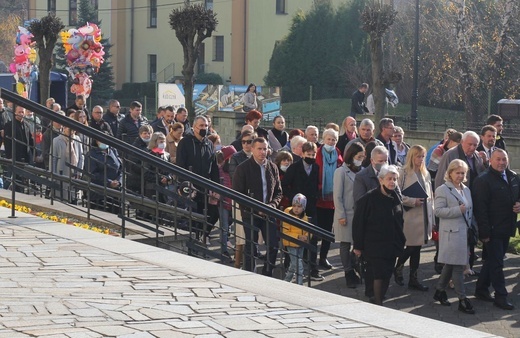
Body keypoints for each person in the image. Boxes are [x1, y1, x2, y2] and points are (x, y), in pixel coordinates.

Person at [472, 148, 520, 310]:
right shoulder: (483, 180)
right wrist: (484, 233)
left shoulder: (513, 177)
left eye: (504, 159)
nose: (501, 163)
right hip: (492, 230)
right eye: (498, 159)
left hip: (508, 227)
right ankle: (501, 296)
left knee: (493, 260)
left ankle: (481, 289)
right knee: (498, 263)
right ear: (490, 161)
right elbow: (480, 209)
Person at [353, 164, 406, 305]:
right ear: (380, 180)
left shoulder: (396, 197)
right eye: (389, 179)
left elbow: (399, 221)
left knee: (387, 273)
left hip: (391, 244)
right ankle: (378, 302)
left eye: (395, 179)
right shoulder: (368, 199)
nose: (392, 182)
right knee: (378, 273)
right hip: (374, 245)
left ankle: (379, 296)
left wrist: (401, 241)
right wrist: (357, 246)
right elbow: (358, 223)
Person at [232, 137, 282, 276]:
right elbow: (238, 194)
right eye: (259, 149)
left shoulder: (272, 167)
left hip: (269, 212)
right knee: (251, 246)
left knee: (273, 245)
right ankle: (249, 275)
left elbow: (278, 192)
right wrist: (255, 208)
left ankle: (267, 272)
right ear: (252, 149)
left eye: (265, 149)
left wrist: (272, 205)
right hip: (250, 213)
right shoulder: (242, 168)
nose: (262, 152)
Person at [433, 159, 475, 314]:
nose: (460, 175)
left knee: (450, 265)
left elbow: (469, 211)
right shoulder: (443, 189)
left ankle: (439, 291)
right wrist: (458, 210)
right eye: (457, 172)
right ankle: (462, 299)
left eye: (462, 173)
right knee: (458, 267)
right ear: (449, 173)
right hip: (451, 235)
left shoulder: (466, 189)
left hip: (464, 234)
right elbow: (438, 211)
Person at [394, 145, 434, 292]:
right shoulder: (403, 172)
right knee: (411, 246)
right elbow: (397, 194)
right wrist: (412, 201)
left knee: (417, 248)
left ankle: (414, 278)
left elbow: (430, 195)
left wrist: (432, 217)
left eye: (423, 156)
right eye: (418, 156)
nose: (421, 159)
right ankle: (398, 267)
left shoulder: (425, 173)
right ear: (412, 156)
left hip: (424, 214)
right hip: (410, 215)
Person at [282, 141, 321, 280]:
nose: (311, 156)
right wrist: (294, 198)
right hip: (296, 208)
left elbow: (316, 184)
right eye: (308, 154)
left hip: (310, 207)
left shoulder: (316, 167)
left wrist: (315, 196)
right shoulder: (294, 168)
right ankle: (289, 266)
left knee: (313, 237)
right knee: (293, 235)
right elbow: (285, 184)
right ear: (302, 154)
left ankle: (313, 269)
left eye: (313, 154)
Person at [176, 115, 219, 241]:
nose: (204, 128)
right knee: (194, 216)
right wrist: (184, 184)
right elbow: (180, 165)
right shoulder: (185, 143)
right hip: (191, 187)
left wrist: (216, 187)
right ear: (194, 127)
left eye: (206, 126)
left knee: (213, 214)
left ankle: (202, 236)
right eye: (201, 126)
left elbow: (214, 167)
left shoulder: (209, 144)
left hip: (205, 187)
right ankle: (194, 241)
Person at [333, 142, 365, 288]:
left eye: (363, 157)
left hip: (359, 214)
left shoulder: (362, 171)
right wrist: (341, 215)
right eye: (359, 156)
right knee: (345, 243)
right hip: (346, 213)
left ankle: (355, 264)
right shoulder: (341, 172)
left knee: (358, 243)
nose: (361, 159)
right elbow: (337, 196)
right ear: (351, 156)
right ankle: (348, 272)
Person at [313, 128, 343, 271]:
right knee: (315, 230)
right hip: (319, 197)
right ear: (323, 139)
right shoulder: (318, 152)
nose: (331, 142)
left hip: (332, 199)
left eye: (334, 139)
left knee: (328, 231)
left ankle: (323, 257)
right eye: (329, 139)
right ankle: (311, 258)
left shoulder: (338, 153)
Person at [228, 130, 256, 269]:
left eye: (249, 141)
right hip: (241, 198)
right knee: (240, 234)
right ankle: (237, 262)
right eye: (243, 142)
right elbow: (235, 178)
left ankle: (250, 262)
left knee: (253, 234)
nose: (245, 144)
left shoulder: (260, 156)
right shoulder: (236, 157)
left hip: (256, 199)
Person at [84, 138, 122, 213]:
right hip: (99, 193)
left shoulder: (113, 151)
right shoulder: (91, 154)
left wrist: (119, 181)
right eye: (101, 140)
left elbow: (121, 168)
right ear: (96, 141)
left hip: (115, 192)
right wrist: (109, 182)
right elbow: (92, 173)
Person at [50, 126, 83, 203]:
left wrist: (79, 172)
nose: (71, 130)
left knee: (74, 197)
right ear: (64, 128)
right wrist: (53, 176)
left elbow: (81, 157)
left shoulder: (77, 139)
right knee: (62, 198)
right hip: (62, 172)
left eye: (72, 129)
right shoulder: (57, 140)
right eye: (68, 128)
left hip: (74, 173)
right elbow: (53, 159)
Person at [282, 193, 309, 285]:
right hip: (291, 243)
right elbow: (285, 232)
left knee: (293, 266)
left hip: (300, 244)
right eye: (294, 206)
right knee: (298, 266)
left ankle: (286, 282)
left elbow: (308, 230)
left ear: (303, 207)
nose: (296, 208)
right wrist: (298, 236)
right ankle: (299, 285)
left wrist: (307, 236)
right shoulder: (287, 214)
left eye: (299, 206)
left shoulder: (304, 218)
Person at [216, 145, 237, 259]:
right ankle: (223, 250)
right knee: (224, 227)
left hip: (234, 202)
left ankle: (236, 249)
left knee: (233, 226)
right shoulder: (220, 170)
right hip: (223, 202)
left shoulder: (236, 170)